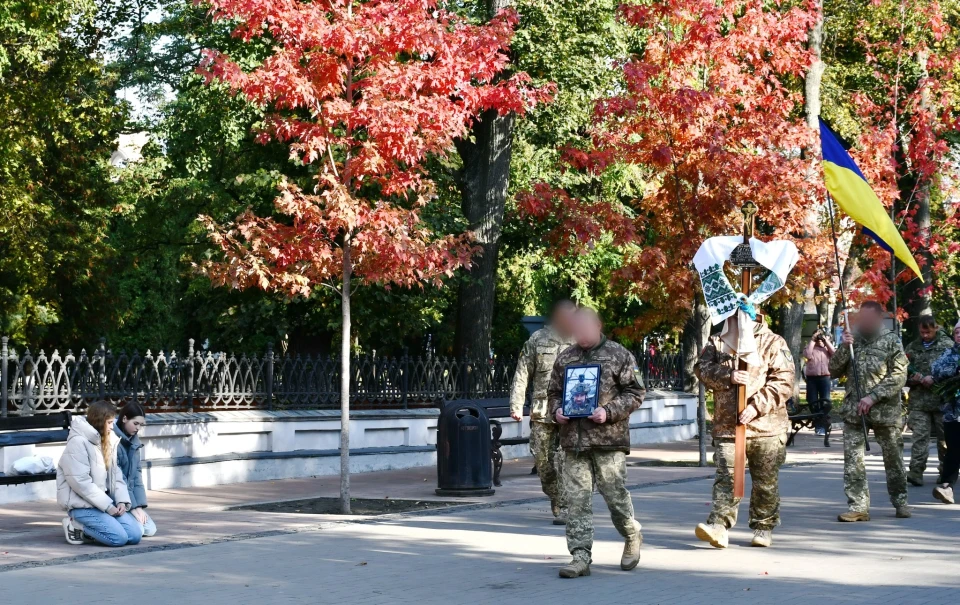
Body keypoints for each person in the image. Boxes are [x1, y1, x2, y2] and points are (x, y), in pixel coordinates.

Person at [547, 308, 645, 578]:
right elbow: (553, 393)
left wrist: (609, 411)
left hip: (607, 441)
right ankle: (580, 557)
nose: (580, 334)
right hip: (573, 443)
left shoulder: (619, 355)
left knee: (614, 496)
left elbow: (636, 392)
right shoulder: (565, 358)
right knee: (577, 501)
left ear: (598, 325)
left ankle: (631, 533)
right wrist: (556, 412)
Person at [693, 314, 793, 549]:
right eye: (731, 315)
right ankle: (719, 526)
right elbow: (702, 369)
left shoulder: (772, 342)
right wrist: (728, 375)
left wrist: (756, 406)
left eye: (740, 315)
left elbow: (784, 381)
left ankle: (763, 527)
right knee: (726, 477)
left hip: (766, 427)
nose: (735, 319)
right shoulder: (718, 342)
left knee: (765, 481)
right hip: (728, 426)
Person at [829, 301, 910, 521]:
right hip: (855, 412)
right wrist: (844, 346)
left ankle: (900, 501)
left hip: (886, 412)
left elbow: (899, 375)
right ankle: (858, 506)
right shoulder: (852, 340)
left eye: (868, 319)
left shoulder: (891, 341)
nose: (863, 323)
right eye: (860, 318)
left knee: (893, 459)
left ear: (878, 319)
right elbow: (833, 370)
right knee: (853, 461)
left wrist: (873, 397)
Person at [508, 299, 577, 525]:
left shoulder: (580, 340)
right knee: (544, 463)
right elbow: (522, 372)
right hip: (542, 412)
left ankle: (567, 507)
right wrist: (516, 404)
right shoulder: (538, 339)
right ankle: (556, 497)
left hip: (570, 412)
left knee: (564, 460)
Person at [57, 400, 143, 546]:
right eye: (109, 422)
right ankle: (76, 525)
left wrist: (122, 500)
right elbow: (81, 483)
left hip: (103, 503)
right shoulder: (78, 443)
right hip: (82, 506)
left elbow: (116, 475)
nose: (112, 426)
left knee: (135, 535)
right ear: (99, 421)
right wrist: (108, 506)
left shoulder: (108, 440)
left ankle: (93, 529)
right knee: (118, 539)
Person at [904, 316, 953, 486]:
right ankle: (916, 471)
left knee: (944, 439)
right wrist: (913, 379)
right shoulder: (912, 347)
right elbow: (901, 371)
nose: (925, 335)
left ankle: (945, 471)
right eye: (922, 332)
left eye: (928, 332)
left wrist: (935, 378)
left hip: (943, 401)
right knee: (919, 437)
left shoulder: (947, 346)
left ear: (936, 328)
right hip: (919, 401)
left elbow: (954, 372)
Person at [114, 401, 157, 537]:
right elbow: (119, 478)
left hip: (130, 498)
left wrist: (139, 506)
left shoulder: (134, 442)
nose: (138, 428)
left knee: (150, 529)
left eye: (141, 425)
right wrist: (132, 508)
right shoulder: (113, 440)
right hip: (116, 497)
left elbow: (136, 476)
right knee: (138, 530)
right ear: (124, 418)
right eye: (135, 423)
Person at [930, 319, 960, 505]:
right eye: (957, 332)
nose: (959, 335)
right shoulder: (949, 353)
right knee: (954, 450)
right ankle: (947, 487)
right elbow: (936, 370)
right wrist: (955, 370)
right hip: (953, 412)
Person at [803, 327, 835, 436]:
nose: (819, 340)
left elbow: (835, 354)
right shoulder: (810, 347)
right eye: (818, 338)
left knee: (825, 402)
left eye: (820, 337)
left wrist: (826, 341)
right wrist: (813, 340)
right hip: (812, 379)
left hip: (825, 378)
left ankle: (821, 424)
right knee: (812, 402)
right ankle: (818, 423)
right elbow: (807, 355)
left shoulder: (827, 349)